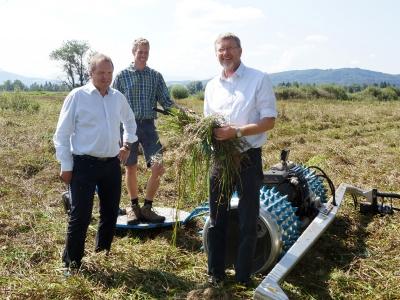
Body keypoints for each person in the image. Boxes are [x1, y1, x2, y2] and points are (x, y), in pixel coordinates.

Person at [204, 33, 277, 286]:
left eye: (230, 49)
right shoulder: (211, 86)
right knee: (216, 218)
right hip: (220, 161)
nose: (226, 54)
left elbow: (269, 120)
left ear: (240, 51)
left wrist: (235, 132)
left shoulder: (258, 79)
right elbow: (208, 125)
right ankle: (215, 273)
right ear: (216, 54)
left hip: (248, 159)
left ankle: (244, 276)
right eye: (221, 50)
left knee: (248, 219)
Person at [53, 53, 138, 271]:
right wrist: (66, 165)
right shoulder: (78, 96)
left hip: (111, 164)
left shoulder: (117, 97)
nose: (106, 77)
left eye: (109, 73)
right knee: (80, 215)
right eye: (101, 72)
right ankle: (72, 264)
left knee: (110, 213)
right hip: (83, 164)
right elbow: (62, 134)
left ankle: (102, 256)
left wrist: (127, 145)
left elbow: (129, 121)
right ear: (90, 73)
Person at [113, 37, 175, 224]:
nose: (143, 55)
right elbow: (113, 103)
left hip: (148, 125)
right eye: (140, 52)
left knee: (158, 166)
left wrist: (183, 115)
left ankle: (147, 207)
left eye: (146, 52)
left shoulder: (155, 76)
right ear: (134, 53)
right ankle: (133, 208)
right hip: (127, 126)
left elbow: (166, 101)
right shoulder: (122, 76)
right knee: (130, 167)